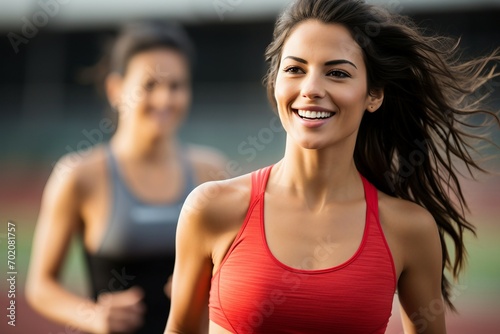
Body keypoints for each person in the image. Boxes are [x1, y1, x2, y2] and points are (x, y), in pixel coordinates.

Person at [164, 0, 500, 333]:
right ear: (275, 83)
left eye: (337, 73)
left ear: (374, 94)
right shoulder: (211, 208)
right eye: (295, 69)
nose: (311, 89)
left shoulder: (409, 229)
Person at [25, 21, 227, 334]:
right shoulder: (78, 175)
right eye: (149, 85)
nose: (165, 99)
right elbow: (40, 285)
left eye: (176, 86)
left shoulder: (211, 171)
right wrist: (91, 316)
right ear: (116, 90)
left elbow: (235, 266)